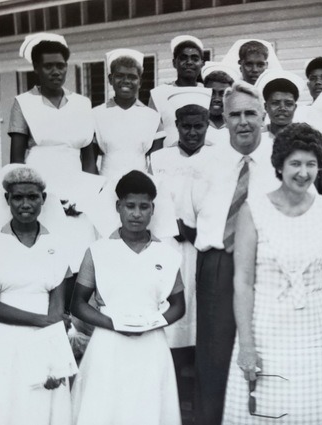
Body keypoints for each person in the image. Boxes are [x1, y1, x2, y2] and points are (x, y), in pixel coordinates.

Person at [222, 122, 322, 424]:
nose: (303, 172)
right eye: (295, 163)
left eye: (311, 164)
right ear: (279, 165)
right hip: (266, 326)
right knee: (269, 409)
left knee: (315, 409)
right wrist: (246, 344)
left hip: (317, 329)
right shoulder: (253, 210)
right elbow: (242, 282)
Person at [179, 81, 280, 425]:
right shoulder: (206, 161)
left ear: (264, 116)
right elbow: (188, 217)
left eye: (250, 113)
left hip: (268, 267)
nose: (243, 122)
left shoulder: (281, 159)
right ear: (223, 117)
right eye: (234, 114)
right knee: (214, 356)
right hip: (219, 265)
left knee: (266, 352)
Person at [70, 170, 185, 425]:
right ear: (118, 207)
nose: (136, 213)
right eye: (129, 206)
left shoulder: (165, 254)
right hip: (108, 343)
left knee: (147, 407)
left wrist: (152, 323)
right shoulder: (98, 251)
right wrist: (114, 324)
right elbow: (77, 304)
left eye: (144, 207)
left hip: (151, 344)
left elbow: (179, 306)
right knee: (107, 407)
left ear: (152, 209)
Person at [0, 166, 73, 425]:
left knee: (41, 404)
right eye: (17, 197)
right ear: (7, 200)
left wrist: (53, 360)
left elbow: (57, 308)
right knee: (1, 405)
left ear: (43, 199)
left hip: (44, 340)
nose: (25, 204)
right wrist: (44, 321)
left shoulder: (58, 245)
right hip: (1, 339)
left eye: (32, 197)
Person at [8, 33, 103, 277]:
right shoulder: (23, 103)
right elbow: (16, 162)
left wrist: (85, 198)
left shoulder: (81, 103)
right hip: (40, 188)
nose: (55, 72)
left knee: (79, 253)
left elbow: (89, 159)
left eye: (60, 66)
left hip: (76, 190)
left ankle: (75, 311)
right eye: (48, 66)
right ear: (36, 68)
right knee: (46, 257)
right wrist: (37, 197)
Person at [149, 87, 214, 409]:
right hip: (166, 246)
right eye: (186, 126)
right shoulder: (159, 159)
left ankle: (197, 399)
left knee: (199, 315)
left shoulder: (218, 159)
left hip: (202, 248)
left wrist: (192, 230)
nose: (192, 132)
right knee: (170, 313)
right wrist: (170, 228)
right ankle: (170, 395)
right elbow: (154, 202)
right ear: (176, 125)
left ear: (207, 125)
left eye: (198, 125)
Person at [92, 49, 162, 181]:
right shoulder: (95, 115)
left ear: (140, 82)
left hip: (141, 190)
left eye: (132, 77)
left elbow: (156, 166)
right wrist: (97, 190)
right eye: (120, 75)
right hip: (106, 187)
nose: (126, 81)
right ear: (110, 79)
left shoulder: (153, 118)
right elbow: (90, 164)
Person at [149, 35, 205, 146]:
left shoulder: (208, 93)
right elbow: (154, 137)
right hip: (169, 159)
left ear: (202, 63)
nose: (189, 62)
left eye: (195, 59)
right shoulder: (159, 94)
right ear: (174, 62)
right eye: (184, 58)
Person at [255, 69, 304, 144]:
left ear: (295, 107)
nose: (282, 108)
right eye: (275, 103)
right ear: (266, 107)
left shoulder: (305, 138)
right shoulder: (256, 139)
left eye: (288, 104)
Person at [202, 61, 240, 146]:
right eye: (212, 93)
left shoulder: (238, 125)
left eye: (222, 94)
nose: (217, 99)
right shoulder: (197, 125)